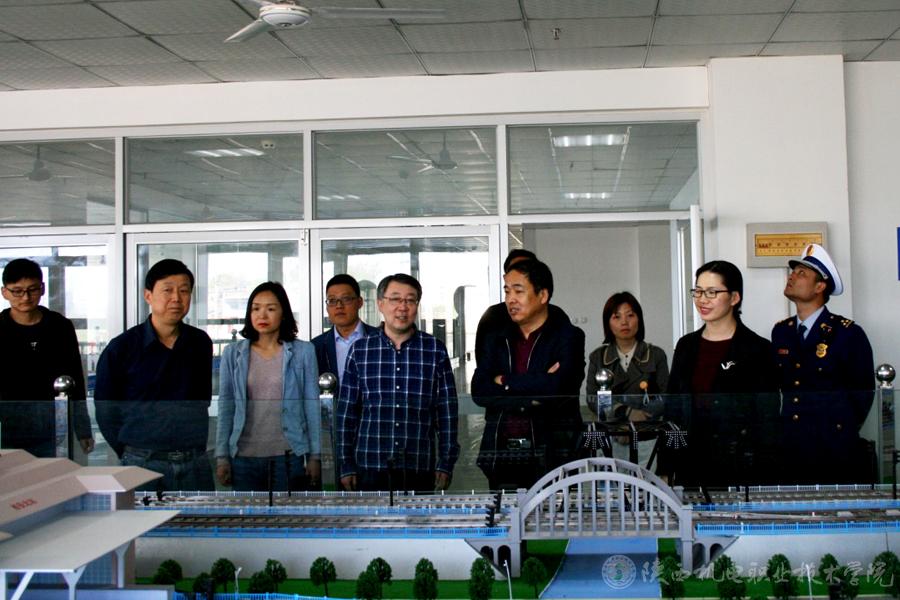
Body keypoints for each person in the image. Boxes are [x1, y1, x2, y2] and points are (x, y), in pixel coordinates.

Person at [95, 259, 214, 491]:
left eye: (184, 291)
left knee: (199, 515)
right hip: (142, 462)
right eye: (167, 290)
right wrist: (130, 452)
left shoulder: (200, 342)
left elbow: (202, 399)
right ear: (148, 295)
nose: (176, 298)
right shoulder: (122, 348)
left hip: (194, 462)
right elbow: (106, 411)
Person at [336, 273, 459, 492]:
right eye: (395, 299)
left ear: (417, 305)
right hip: (370, 464)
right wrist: (346, 463)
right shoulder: (361, 350)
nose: (402, 307)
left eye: (410, 300)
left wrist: (446, 462)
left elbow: (446, 412)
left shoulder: (434, 350)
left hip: (419, 464)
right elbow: (347, 413)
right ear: (380, 304)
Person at [472, 259, 585, 490]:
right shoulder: (497, 338)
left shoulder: (568, 337)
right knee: (505, 513)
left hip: (553, 454)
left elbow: (558, 388)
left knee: (555, 513)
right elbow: (479, 390)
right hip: (502, 453)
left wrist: (503, 380)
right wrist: (533, 391)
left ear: (542, 295)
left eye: (519, 291)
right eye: (507, 291)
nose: (510, 299)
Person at [665, 260, 779, 488]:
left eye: (712, 292)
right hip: (691, 462)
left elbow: (767, 418)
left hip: (740, 466)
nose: (702, 299)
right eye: (698, 291)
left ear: (734, 298)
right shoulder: (686, 345)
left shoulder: (757, 349)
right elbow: (673, 410)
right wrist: (666, 466)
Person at [772, 243, 875, 484]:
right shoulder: (782, 331)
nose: (792, 277)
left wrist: (840, 429)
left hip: (833, 447)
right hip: (792, 446)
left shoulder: (847, 333)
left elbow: (862, 394)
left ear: (820, 287)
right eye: (793, 272)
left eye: (801, 273)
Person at [215, 282, 321, 491]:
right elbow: (226, 407)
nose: (262, 315)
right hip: (243, 457)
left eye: (271, 309)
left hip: (288, 456)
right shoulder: (233, 353)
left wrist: (315, 456)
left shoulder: (303, 352)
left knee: (287, 512)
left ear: (284, 314)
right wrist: (222, 457)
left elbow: (312, 406)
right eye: (256, 309)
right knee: (248, 512)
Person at [0, 258, 93, 457]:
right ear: (4, 292)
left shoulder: (60, 327)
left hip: (53, 428)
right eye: (17, 291)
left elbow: (75, 378)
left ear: (42, 288)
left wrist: (83, 428)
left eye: (32, 289)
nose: (25, 297)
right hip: (6, 429)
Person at [586, 291, 669, 466]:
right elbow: (593, 398)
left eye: (630, 315)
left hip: (645, 436)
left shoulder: (656, 355)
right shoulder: (598, 357)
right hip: (610, 435)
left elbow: (665, 396)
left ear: (639, 319)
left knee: (644, 481)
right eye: (617, 317)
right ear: (608, 323)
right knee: (610, 482)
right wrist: (625, 414)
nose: (624, 322)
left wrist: (638, 419)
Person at [312, 274, 378, 385]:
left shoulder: (382, 338)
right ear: (327, 307)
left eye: (346, 299)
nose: (339, 306)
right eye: (332, 300)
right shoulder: (316, 346)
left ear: (360, 302)